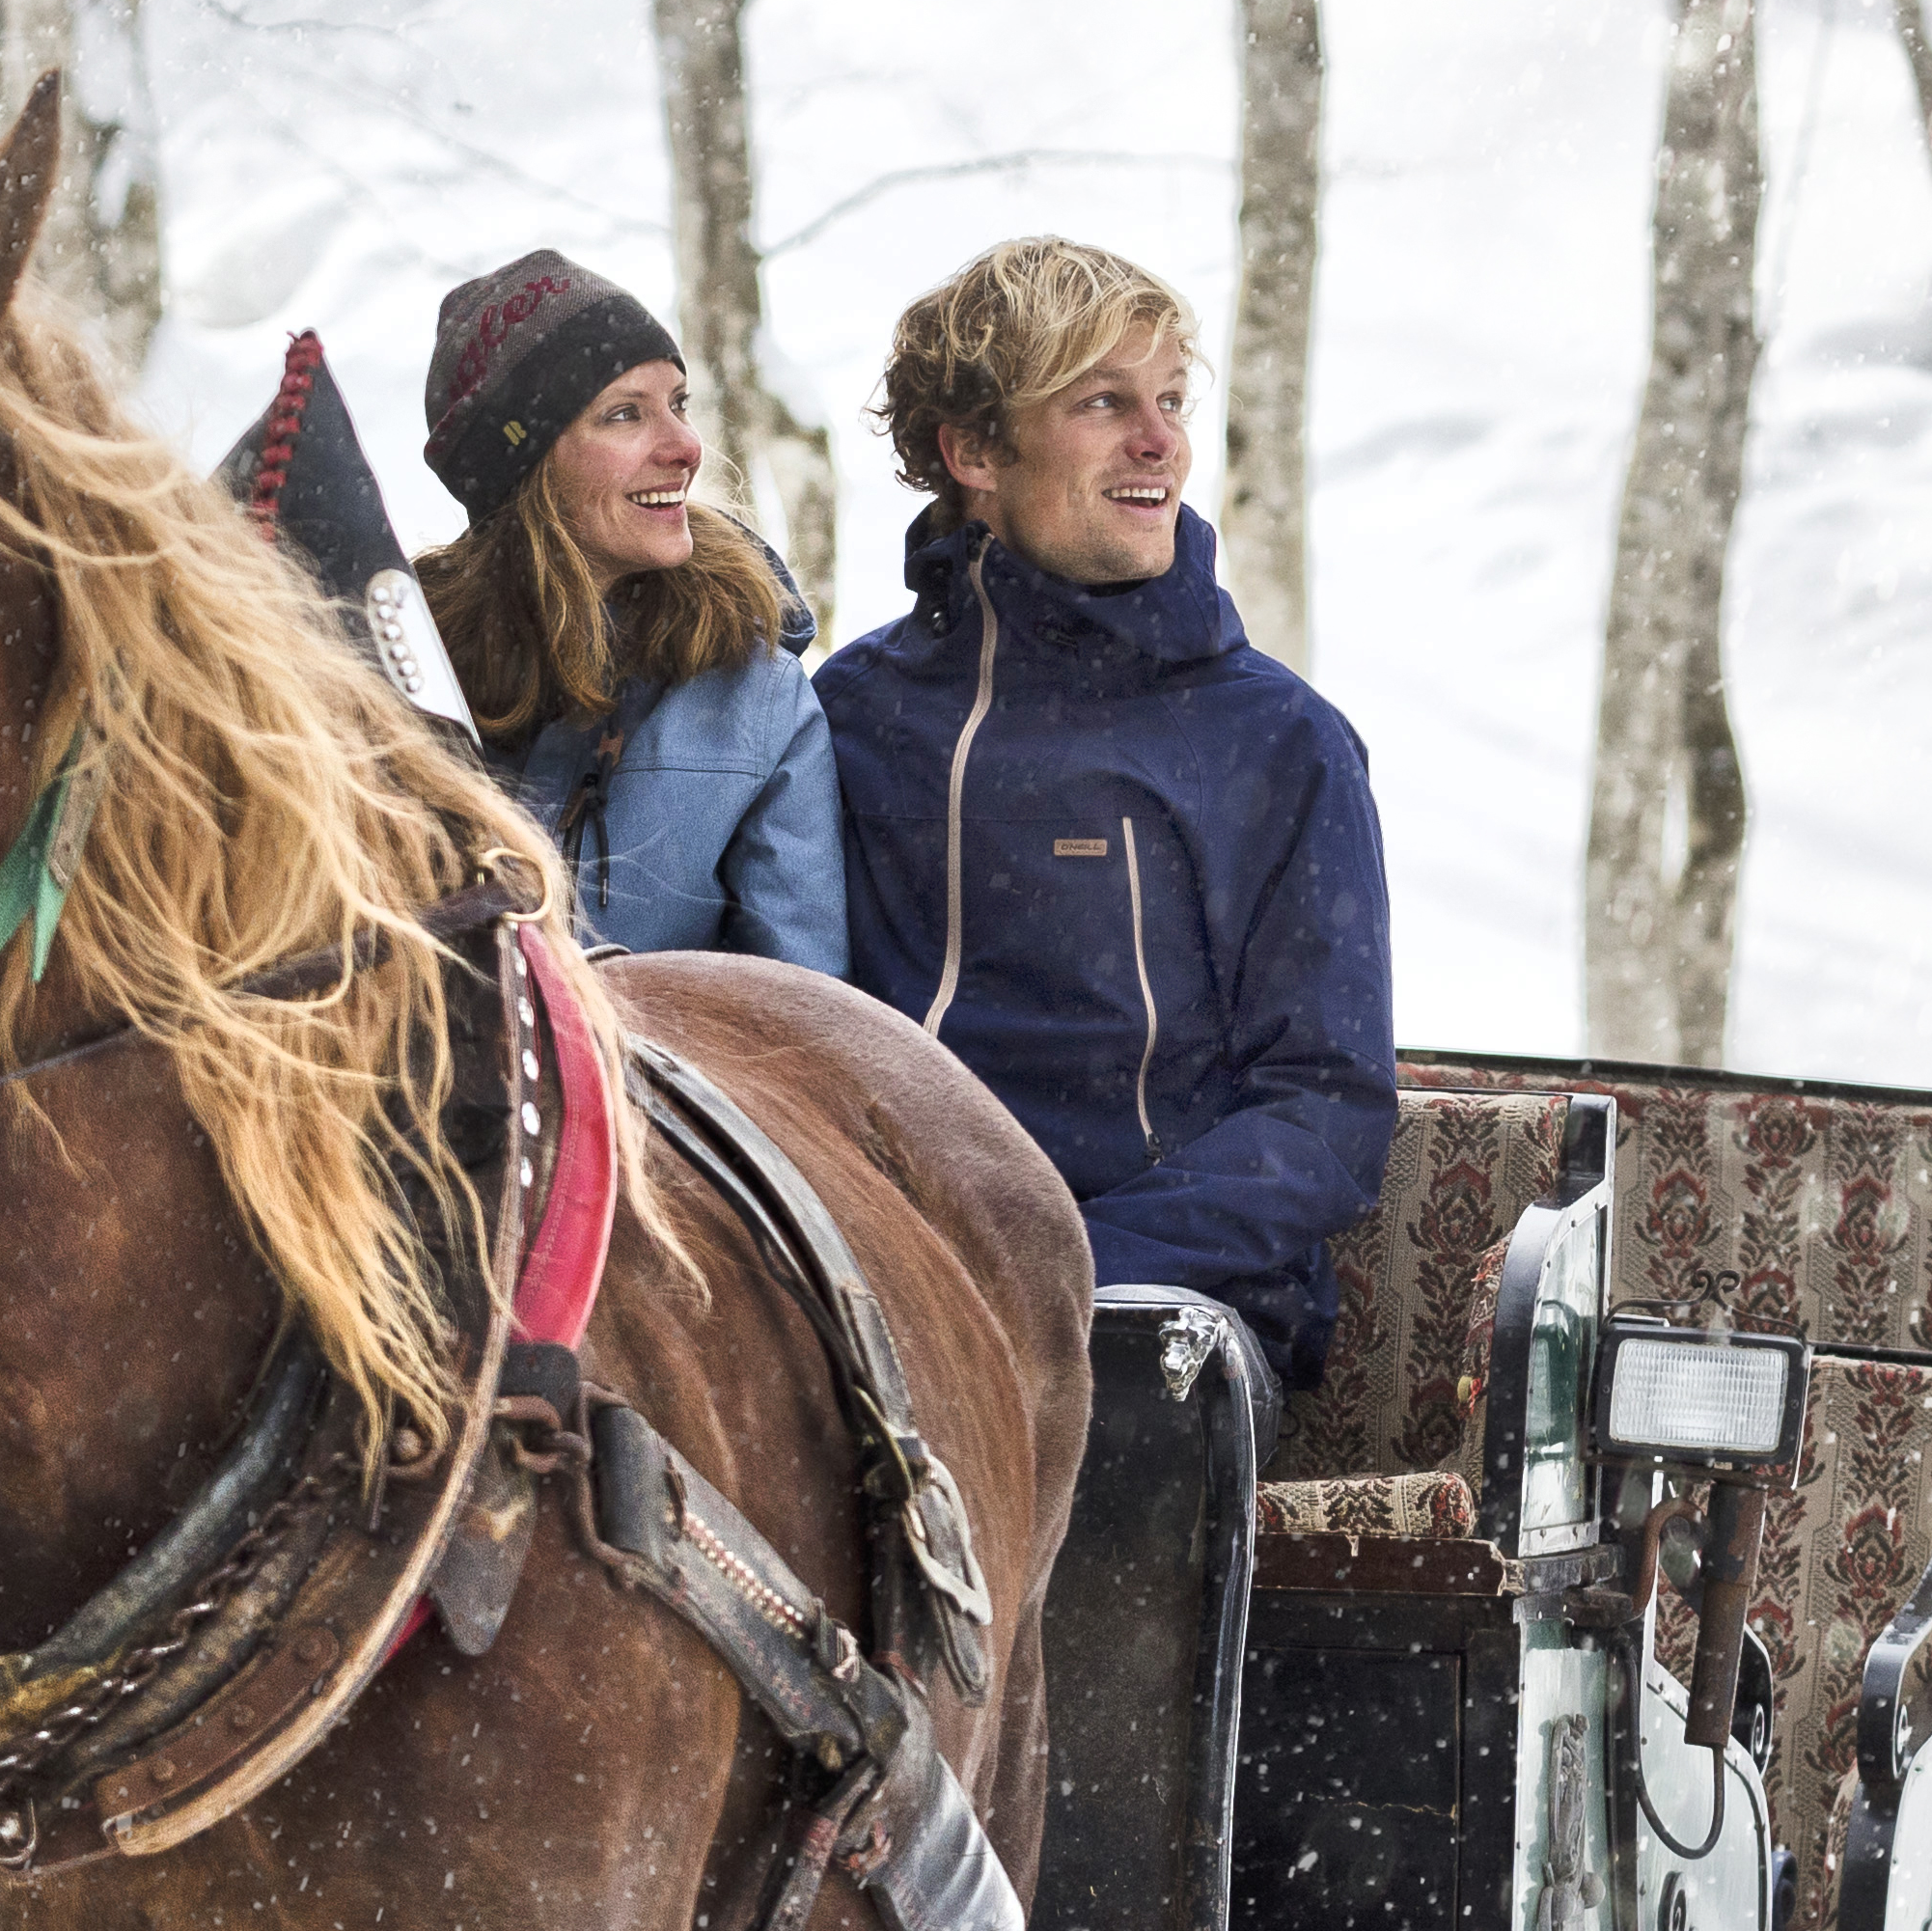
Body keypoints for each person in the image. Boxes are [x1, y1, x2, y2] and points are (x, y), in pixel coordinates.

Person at [816, 237, 1394, 1389]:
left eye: (1172, 399)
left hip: (1155, 1320)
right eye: (1103, 400)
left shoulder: (1276, 743)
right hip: (878, 1284)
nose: (1161, 440)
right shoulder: (853, 710)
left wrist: (1073, 1268)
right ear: (974, 448)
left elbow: (1324, 1111)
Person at [415, 250, 842, 967]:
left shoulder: (752, 690)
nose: (684, 447)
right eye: (624, 415)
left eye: (678, 404)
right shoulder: (405, 679)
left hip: (663, 1077)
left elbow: (803, 1015)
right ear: (522, 466)